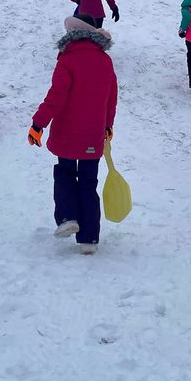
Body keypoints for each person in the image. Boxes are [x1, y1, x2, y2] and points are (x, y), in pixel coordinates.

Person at [28, 14, 118, 255]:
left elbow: (56, 96)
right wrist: (108, 126)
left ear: (73, 35)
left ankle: (68, 217)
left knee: (65, 173)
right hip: (93, 134)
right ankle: (89, 238)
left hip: (67, 132)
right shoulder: (105, 61)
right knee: (88, 183)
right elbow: (111, 98)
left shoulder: (67, 60)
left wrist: (38, 124)